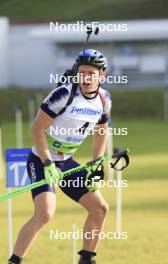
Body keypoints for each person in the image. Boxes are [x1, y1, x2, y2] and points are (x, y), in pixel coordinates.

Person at [8, 49, 112, 264]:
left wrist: (96, 162)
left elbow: (102, 130)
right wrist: (47, 163)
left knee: (99, 208)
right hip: (41, 159)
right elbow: (36, 129)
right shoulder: (63, 95)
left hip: (66, 163)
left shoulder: (104, 99)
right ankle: (14, 261)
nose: (86, 78)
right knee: (45, 213)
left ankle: (86, 260)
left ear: (102, 76)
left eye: (91, 74)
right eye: (82, 72)